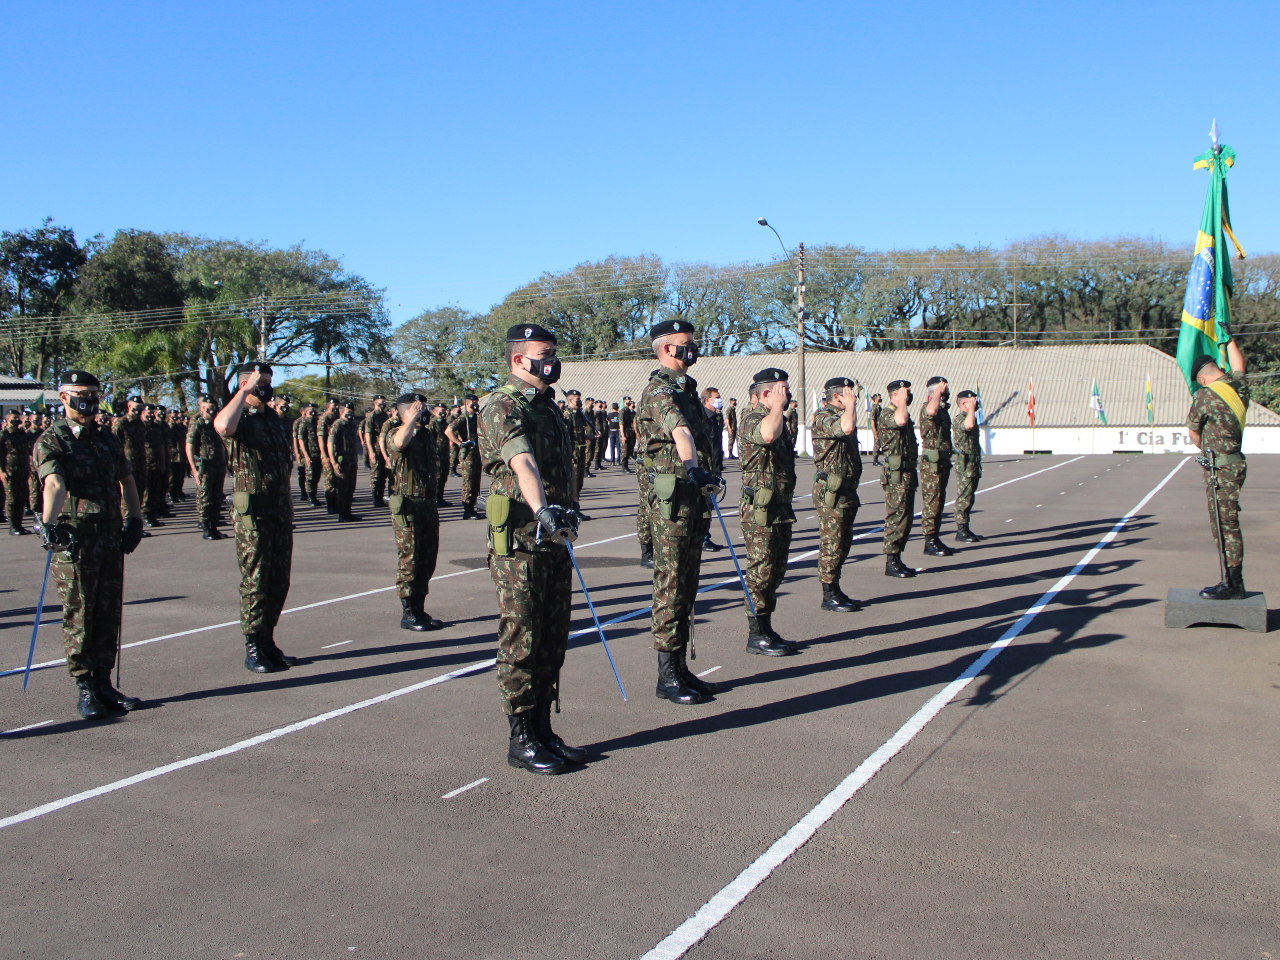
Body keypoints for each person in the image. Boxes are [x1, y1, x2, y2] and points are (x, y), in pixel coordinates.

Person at [478, 322, 585, 775]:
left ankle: (543, 727)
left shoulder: (549, 407)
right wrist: (542, 510)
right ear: (520, 359)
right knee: (522, 636)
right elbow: (521, 460)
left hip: (553, 535)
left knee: (553, 635)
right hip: (522, 538)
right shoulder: (502, 404)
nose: (553, 360)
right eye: (545, 352)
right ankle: (521, 736)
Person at [34, 370, 146, 720]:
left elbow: (126, 478)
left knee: (107, 612)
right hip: (76, 540)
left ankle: (104, 682)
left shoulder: (105, 437)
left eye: (95, 394)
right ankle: (85, 687)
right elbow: (53, 484)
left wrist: (135, 518)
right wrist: (48, 525)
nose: (90, 400)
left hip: (109, 536)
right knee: (80, 613)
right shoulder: (52, 440)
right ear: (63, 397)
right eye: (83, 393)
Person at [637, 319, 722, 703]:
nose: (694, 349)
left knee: (687, 584)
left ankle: (682, 669)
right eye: (687, 344)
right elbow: (680, 432)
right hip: (671, 503)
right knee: (670, 585)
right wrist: (693, 467)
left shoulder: (687, 389)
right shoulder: (659, 390)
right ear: (668, 349)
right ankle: (666, 675)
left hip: (692, 499)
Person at [214, 362, 300, 673]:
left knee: (279, 580)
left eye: (267, 381)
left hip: (279, 509)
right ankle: (253, 645)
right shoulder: (241, 418)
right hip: (253, 514)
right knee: (256, 580)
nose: (266, 386)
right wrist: (244, 392)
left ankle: (268, 640)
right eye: (259, 382)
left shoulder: (274, 419)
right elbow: (222, 427)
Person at [738, 369, 800, 655]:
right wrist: (775, 407)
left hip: (779, 505)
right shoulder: (752, 418)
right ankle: (755, 634)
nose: (787, 395)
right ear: (766, 394)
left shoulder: (779, 418)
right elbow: (767, 435)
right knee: (760, 572)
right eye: (782, 390)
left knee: (776, 570)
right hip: (759, 509)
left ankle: (767, 626)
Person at [1187, 340, 1250, 599]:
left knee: (1224, 525)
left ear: (1202, 378)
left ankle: (1233, 583)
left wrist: (1204, 448)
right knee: (1229, 521)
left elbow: (1193, 432)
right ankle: (1231, 580)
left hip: (1219, 469)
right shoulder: (1237, 388)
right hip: (1236, 463)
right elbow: (1240, 367)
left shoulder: (1205, 395)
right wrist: (1230, 340)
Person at [387, 393, 446, 631]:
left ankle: (420, 609)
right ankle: (408, 613)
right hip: (408, 507)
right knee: (410, 561)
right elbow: (399, 444)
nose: (423, 412)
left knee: (427, 560)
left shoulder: (425, 434)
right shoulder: (396, 432)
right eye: (417, 408)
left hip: (427, 505)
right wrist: (409, 420)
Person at [811, 377, 864, 613]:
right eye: (848, 394)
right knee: (832, 542)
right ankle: (828, 592)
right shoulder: (824, 417)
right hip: (831, 491)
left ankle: (836, 586)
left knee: (844, 541)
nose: (853, 397)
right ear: (836, 397)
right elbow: (846, 428)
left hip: (846, 488)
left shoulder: (843, 415)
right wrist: (851, 406)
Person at [878, 379, 919, 578]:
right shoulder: (887, 413)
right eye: (904, 393)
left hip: (907, 472)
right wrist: (901, 402)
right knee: (896, 518)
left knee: (906, 518)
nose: (908, 396)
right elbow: (900, 421)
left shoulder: (900, 411)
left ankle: (897, 557)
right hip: (896, 475)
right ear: (895, 394)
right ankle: (891, 560)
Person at [917, 376, 956, 558]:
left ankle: (936, 537)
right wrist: (937, 393)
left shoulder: (943, 410)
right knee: (932, 502)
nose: (946, 394)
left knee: (939, 501)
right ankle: (929, 540)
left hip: (942, 461)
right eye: (942, 390)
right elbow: (931, 411)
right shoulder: (928, 407)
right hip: (931, 464)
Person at [185, 394, 227, 540]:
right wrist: (194, 469)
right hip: (205, 466)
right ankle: (206, 527)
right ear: (202, 408)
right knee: (206, 497)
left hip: (218, 465)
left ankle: (214, 527)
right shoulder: (198, 424)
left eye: (213, 408)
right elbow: (189, 446)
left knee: (216, 497)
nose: (211, 411)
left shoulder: (216, 424)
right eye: (208, 408)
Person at [951, 390, 985, 543]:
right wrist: (971, 409)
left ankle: (966, 527)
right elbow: (969, 426)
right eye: (972, 401)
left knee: (970, 497)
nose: (976, 403)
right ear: (964, 404)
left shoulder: (969, 416)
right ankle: (961, 529)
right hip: (965, 465)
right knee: (964, 497)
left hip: (973, 463)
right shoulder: (961, 418)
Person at [445, 394, 482, 519]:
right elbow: (448, 431)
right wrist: (460, 443)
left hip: (477, 453)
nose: (475, 405)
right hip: (468, 454)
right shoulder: (463, 418)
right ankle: (467, 510)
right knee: (469, 483)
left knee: (476, 482)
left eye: (476, 403)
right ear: (466, 404)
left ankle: (473, 508)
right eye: (473, 403)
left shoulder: (476, 417)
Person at [326, 401, 362, 521]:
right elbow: (330, 443)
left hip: (352, 460)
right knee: (342, 489)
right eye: (348, 412)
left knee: (351, 488)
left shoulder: (352, 424)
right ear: (341, 412)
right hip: (342, 461)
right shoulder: (337, 425)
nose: (350, 415)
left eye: (351, 412)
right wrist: (334, 462)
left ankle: (348, 512)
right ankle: (342, 514)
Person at [1, 410, 33, 534]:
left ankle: (19, 525)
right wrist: (2, 472)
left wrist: (29, 469)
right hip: (10, 471)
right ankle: (13, 526)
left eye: (17, 418)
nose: (16, 420)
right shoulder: (3, 435)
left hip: (23, 471)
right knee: (12, 498)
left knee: (22, 497)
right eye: (14, 418)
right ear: (8, 419)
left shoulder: (22, 434)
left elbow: (26, 452)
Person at [362, 394, 391, 509]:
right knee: (376, 475)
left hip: (385, 449)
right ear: (375, 402)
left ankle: (380, 497)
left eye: (384, 402)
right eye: (381, 402)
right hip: (375, 448)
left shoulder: (385, 415)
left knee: (383, 474)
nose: (383, 404)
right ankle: (375, 498)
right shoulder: (371, 416)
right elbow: (368, 435)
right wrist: (371, 451)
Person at [293, 402, 322, 505]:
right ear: (305, 412)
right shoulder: (302, 422)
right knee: (308, 475)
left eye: (314, 410)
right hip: (307, 452)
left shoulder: (317, 422)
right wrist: (302, 454)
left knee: (316, 475)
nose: (313, 412)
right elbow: (299, 439)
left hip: (317, 453)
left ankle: (313, 495)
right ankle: (309, 496)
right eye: (310, 410)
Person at [316, 397, 340, 514]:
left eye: (337, 405)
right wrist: (324, 456)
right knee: (330, 480)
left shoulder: (337, 418)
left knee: (337, 480)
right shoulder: (324, 419)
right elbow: (321, 439)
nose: (335, 407)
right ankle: (330, 506)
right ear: (328, 406)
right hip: (327, 453)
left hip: (336, 453)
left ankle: (336, 503)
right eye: (333, 405)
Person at [620, 396, 637, 472]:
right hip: (625, 432)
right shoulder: (622, 411)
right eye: (628, 401)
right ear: (624, 402)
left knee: (629, 449)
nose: (629, 402)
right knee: (625, 450)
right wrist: (623, 435)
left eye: (630, 401)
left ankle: (626, 466)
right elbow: (621, 424)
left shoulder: (629, 411)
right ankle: (624, 466)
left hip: (630, 432)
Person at [869, 393, 883, 465]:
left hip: (880, 428)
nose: (880, 398)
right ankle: (875, 460)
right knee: (877, 444)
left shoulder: (878, 407)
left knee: (879, 444)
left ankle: (876, 459)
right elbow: (872, 419)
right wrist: (874, 430)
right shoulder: (874, 407)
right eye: (879, 397)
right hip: (877, 428)